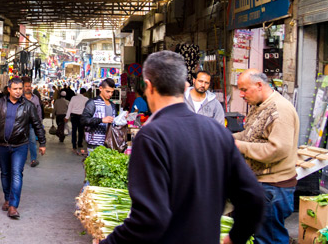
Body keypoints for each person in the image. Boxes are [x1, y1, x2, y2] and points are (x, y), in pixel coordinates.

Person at [100, 51, 264, 244]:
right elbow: (253, 199)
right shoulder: (218, 132)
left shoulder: (151, 136)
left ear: (149, 86)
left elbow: (148, 220)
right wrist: (235, 238)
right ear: (185, 86)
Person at [234, 69, 299, 244]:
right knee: (262, 235)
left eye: (244, 90)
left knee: (270, 238)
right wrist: (226, 138)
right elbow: (249, 135)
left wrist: (239, 146)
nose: (241, 94)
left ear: (259, 85)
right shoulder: (259, 106)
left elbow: (277, 149)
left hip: (274, 188)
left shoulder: (280, 110)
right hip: (262, 184)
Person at [0, 77, 46, 219]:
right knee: (5, 173)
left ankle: (13, 206)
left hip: (20, 146)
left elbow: (37, 124)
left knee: (16, 173)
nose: (18, 91)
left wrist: (42, 143)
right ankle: (7, 199)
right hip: (3, 145)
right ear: (9, 89)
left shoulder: (28, 106)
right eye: (15, 89)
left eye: (20, 89)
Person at [80, 78, 118, 154]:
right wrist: (101, 120)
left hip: (109, 144)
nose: (110, 94)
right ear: (100, 88)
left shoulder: (113, 105)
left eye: (112, 92)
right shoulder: (92, 103)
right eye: (108, 91)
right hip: (94, 144)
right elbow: (83, 120)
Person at [22, 77, 43, 167]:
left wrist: (40, 122)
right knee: (21, 142)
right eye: (26, 86)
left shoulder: (35, 98)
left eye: (29, 86)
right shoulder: (20, 98)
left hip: (32, 124)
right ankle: (21, 159)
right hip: (21, 124)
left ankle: (33, 159)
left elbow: (39, 111)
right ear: (23, 87)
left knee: (33, 141)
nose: (28, 88)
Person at [66, 88, 89, 155]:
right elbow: (87, 109)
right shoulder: (86, 99)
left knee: (74, 130)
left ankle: (74, 145)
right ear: (84, 93)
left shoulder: (73, 98)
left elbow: (70, 107)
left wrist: (67, 117)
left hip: (74, 116)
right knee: (81, 130)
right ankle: (80, 143)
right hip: (82, 116)